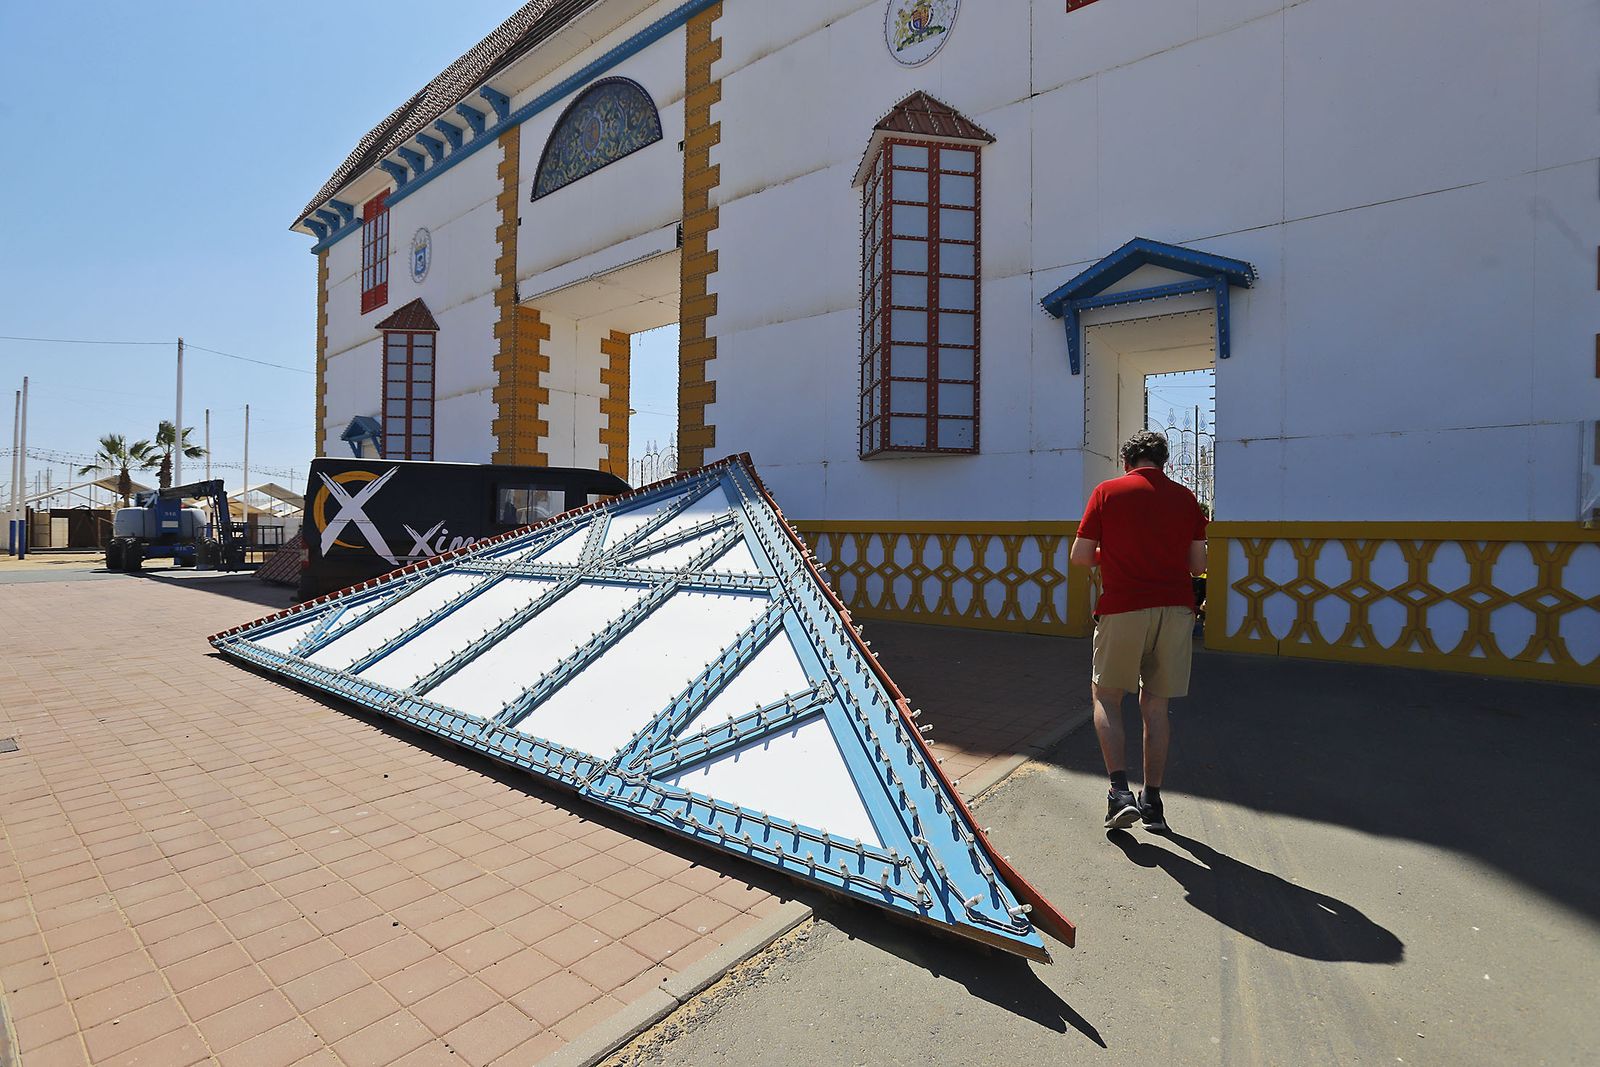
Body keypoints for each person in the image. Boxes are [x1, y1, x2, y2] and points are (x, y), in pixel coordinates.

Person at [1069, 431, 1208, 833]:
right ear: (1163, 461)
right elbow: (1198, 565)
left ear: (1127, 460)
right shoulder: (1186, 499)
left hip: (1123, 606)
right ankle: (1153, 803)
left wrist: (1112, 552)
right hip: (1176, 609)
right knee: (1156, 706)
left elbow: (1080, 557)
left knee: (1108, 697)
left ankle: (1119, 794)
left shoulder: (1108, 492)